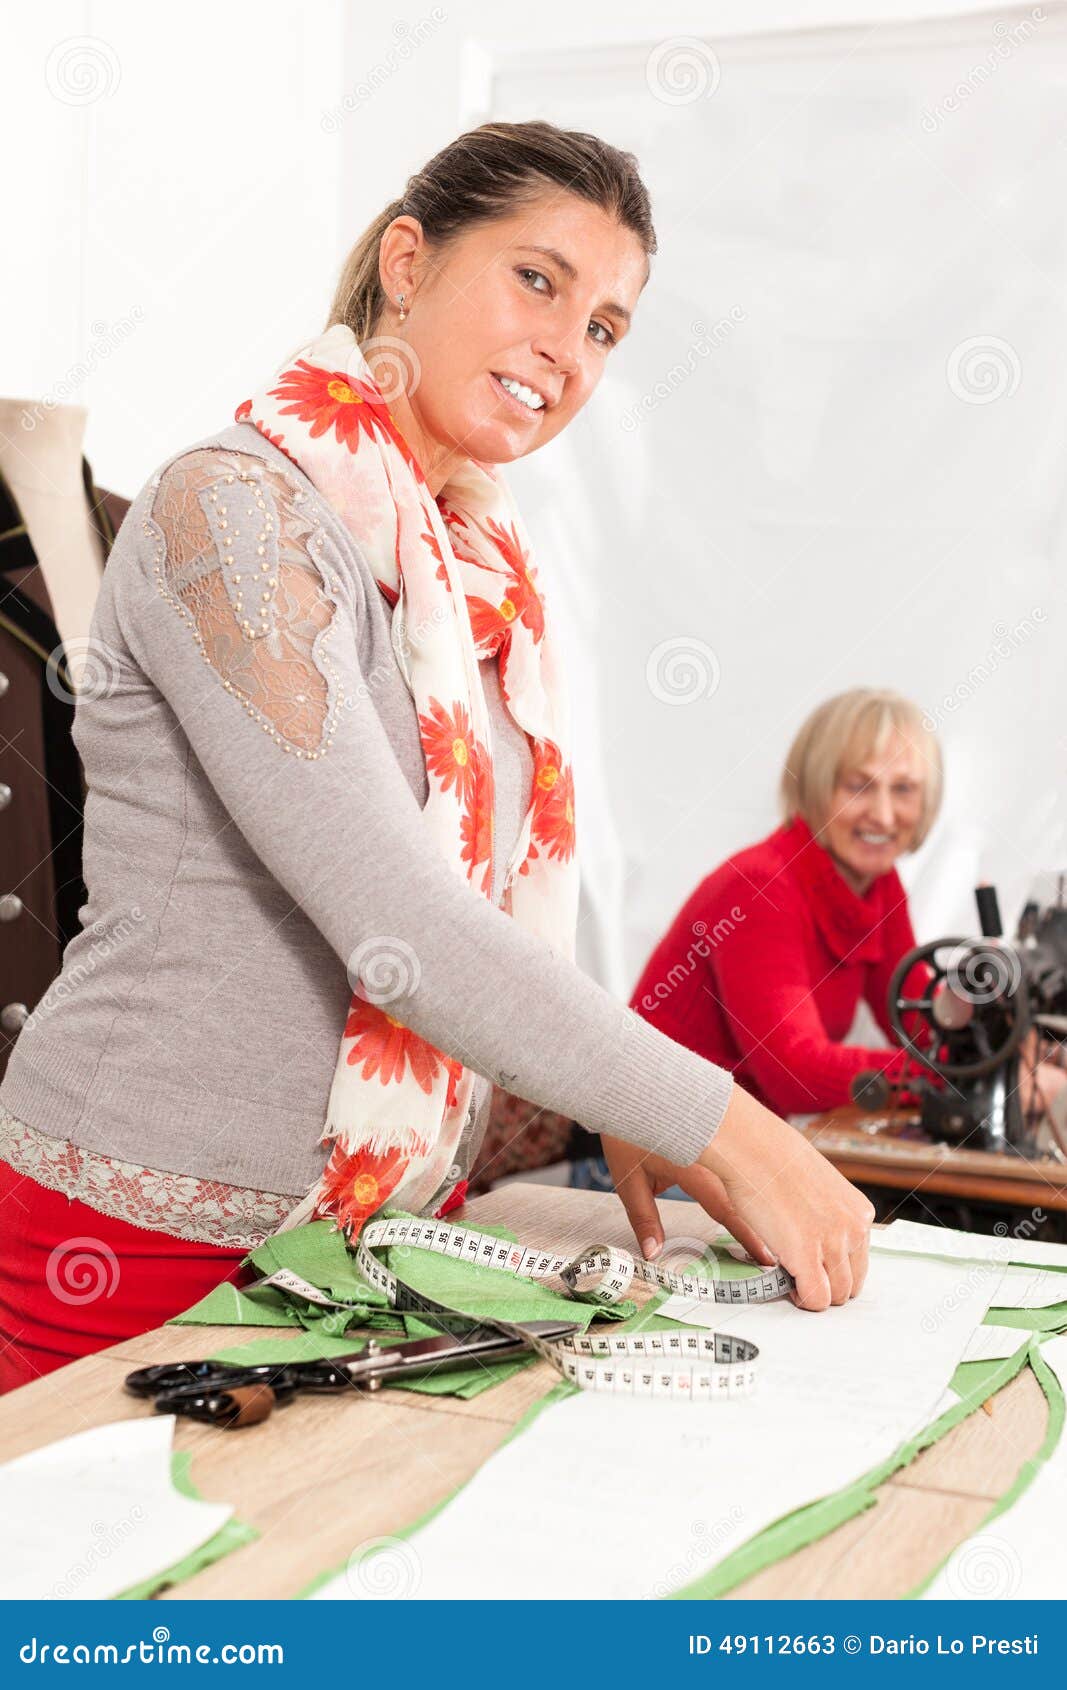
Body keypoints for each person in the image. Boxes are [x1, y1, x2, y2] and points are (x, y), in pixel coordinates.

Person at [0, 121, 873, 1393]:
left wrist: (614, 1096)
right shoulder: (231, 512)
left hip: (368, 1242)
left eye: (605, 329)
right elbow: (397, 917)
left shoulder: (467, 578)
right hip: (144, 1238)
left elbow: (485, 925)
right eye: (538, 280)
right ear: (407, 262)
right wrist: (724, 1126)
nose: (566, 351)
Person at [631, 688, 1067, 1127]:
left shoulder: (877, 885)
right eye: (859, 787)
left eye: (903, 790)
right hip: (649, 1150)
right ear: (817, 787)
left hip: (730, 1145)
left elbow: (921, 1018)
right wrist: (972, 1076)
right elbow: (795, 1073)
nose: (882, 815)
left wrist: (1006, 1046)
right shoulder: (758, 887)